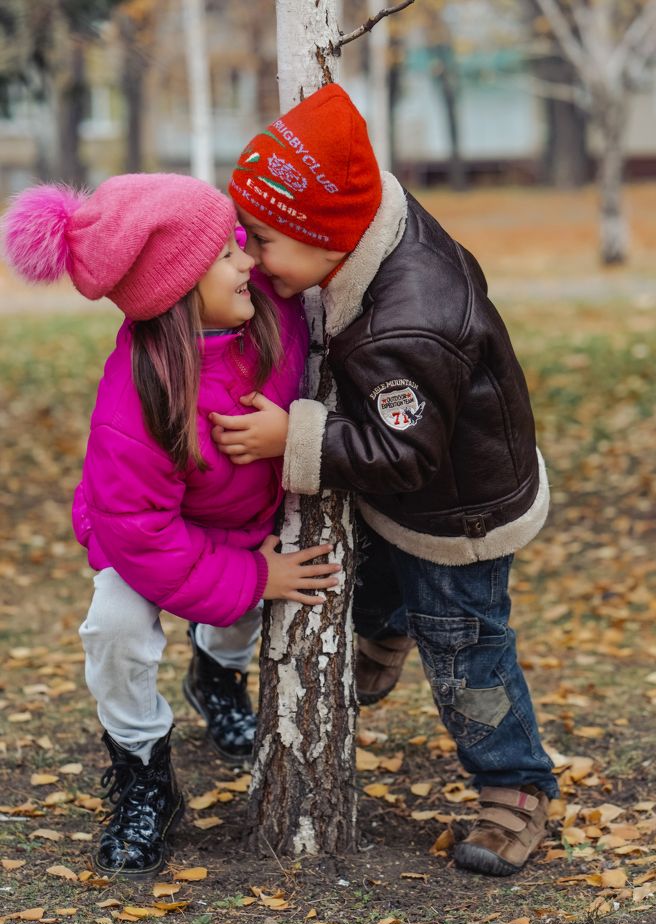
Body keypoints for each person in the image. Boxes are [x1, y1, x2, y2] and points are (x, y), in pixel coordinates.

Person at [209, 84, 559, 877]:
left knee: (465, 648)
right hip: (412, 490)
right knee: (373, 571)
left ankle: (515, 787)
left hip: (456, 515)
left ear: (323, 237)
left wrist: (289, 435)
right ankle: (386, 623)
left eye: (261, 241)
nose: (251, 258)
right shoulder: (360, 240)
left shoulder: (412, 321)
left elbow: (405, 458)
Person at [1, 174, 340, 877]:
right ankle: (142, 770)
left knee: (242, 615)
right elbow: (147, 539)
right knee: (115, 628)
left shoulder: (273, 309)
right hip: (143, 537)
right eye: (224, 254)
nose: (247, 259)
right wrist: (253, 575)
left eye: (240, 243)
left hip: (241, 519)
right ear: (178, 288)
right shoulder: (135, 399)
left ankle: (216, 678)